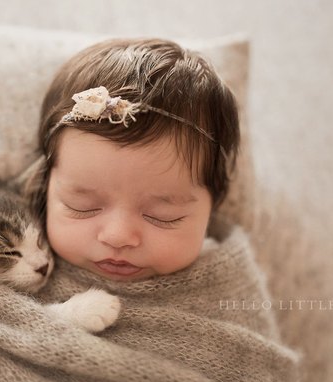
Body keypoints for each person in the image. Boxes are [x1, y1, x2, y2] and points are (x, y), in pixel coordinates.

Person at [32, 38, 240, 280]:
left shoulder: (227, 284)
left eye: (163, 216)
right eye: (81, 206)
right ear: (44, 185)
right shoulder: (10, 264)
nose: (118, 237)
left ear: (213, 204)